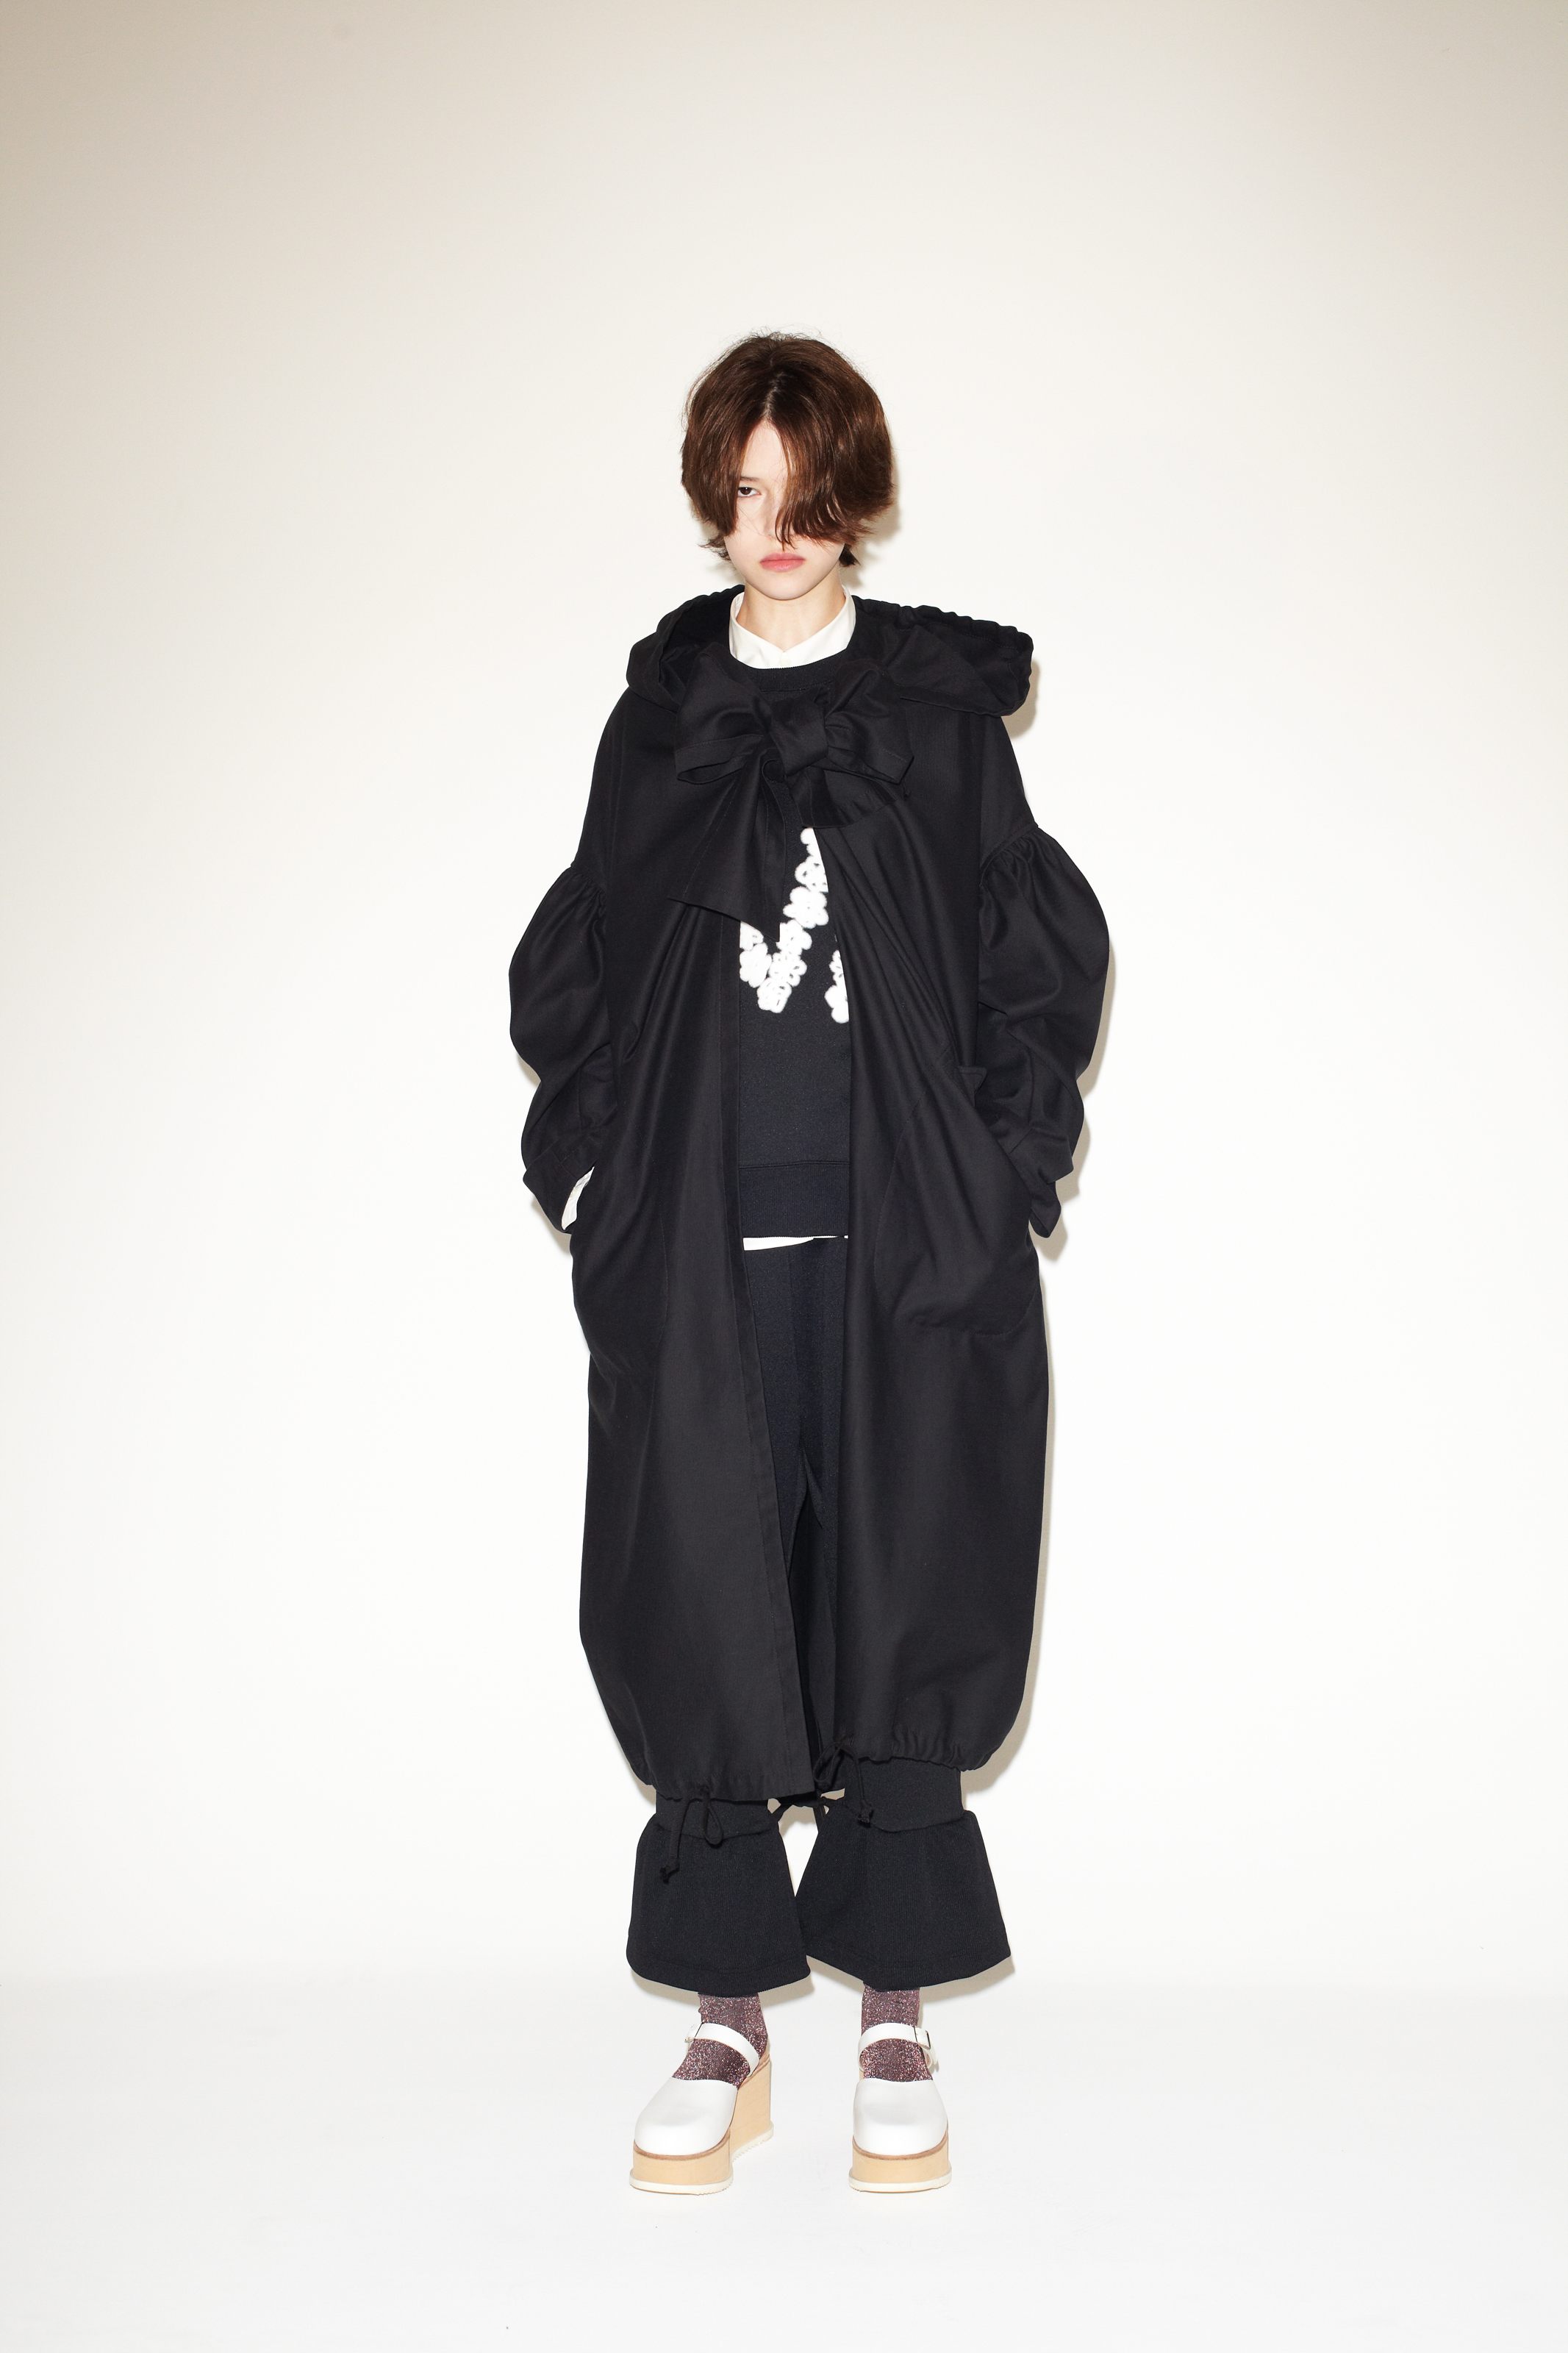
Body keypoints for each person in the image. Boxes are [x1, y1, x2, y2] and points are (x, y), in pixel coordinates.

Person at [508, 332, 1109, 2194]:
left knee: (905, 1581)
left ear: (856, 494)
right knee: (701, 1586)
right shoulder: (658, 724)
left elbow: (1030, 954)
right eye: (745, 493)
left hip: (904, 1243)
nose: (776, 530)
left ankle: (894, 2006)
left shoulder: (932, 718)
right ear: (715, 501)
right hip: (704, 1245)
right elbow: (584, 967)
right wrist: (594, 1178)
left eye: (808, 490)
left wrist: (1001, 1168)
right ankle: (726, 2019)